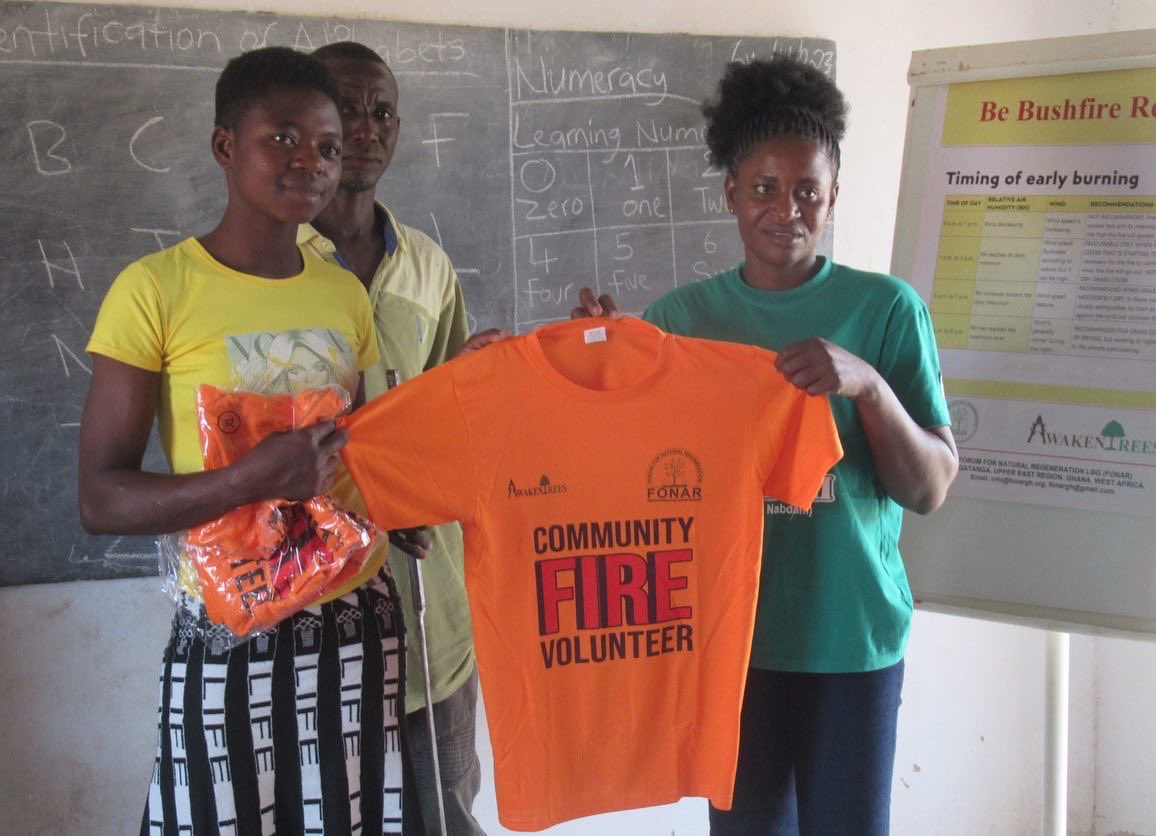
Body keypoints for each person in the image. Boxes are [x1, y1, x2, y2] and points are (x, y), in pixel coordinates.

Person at [577, 55, 959, 834]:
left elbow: (930, 488)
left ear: (833, 196)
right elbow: (633, 473)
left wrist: (869, 387)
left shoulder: (886, 310)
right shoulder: (682, 321)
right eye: (764, 188)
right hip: (731, 645)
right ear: (730, 193)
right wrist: (604, 366)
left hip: (851, 639)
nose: (787, 209)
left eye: (808, 191)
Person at [78, 47, 405, 834]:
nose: (311, 161)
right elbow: (100, 498)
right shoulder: (155, 289)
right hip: (229, 630)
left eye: (328, 146)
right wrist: (250, 478)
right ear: (226, 146)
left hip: (355, 622)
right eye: (283, 138)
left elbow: (365, 452)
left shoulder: (342, 293)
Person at [298, 41, 498, 836]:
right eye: (346, 108)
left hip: (431, 616)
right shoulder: (272, 267)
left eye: (382, 111)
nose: (366, 127)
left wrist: (488, 376)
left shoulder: (427, 266)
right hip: (318, 613)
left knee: (444, 813)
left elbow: (453, 424)